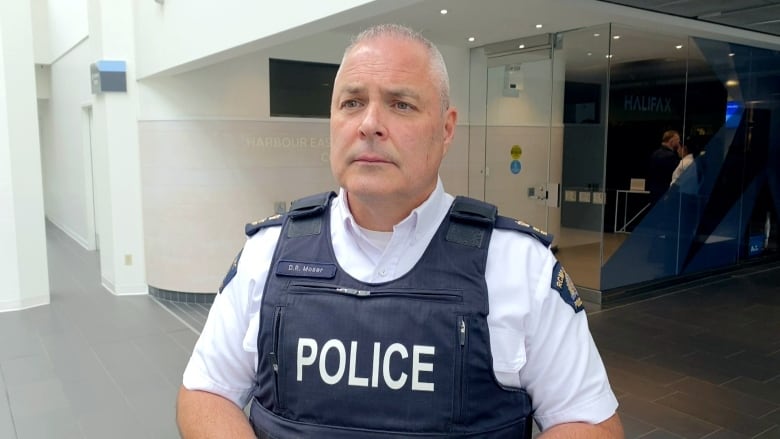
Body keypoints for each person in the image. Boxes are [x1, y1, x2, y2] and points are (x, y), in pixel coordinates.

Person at [177, 24, 623, 438]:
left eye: (401, 104)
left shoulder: (519, 266)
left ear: (446, 129)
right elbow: (204, 391)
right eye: (352, 103)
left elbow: (589, 422)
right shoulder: (268, 254)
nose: (369, 123)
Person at [647, 129, 681, 205]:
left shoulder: (654, 154)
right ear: (671, 141)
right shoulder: (671, 156)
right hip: (665, 193)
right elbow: (676, 175)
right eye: (678, 140)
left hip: (654, 192)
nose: (679, 143)